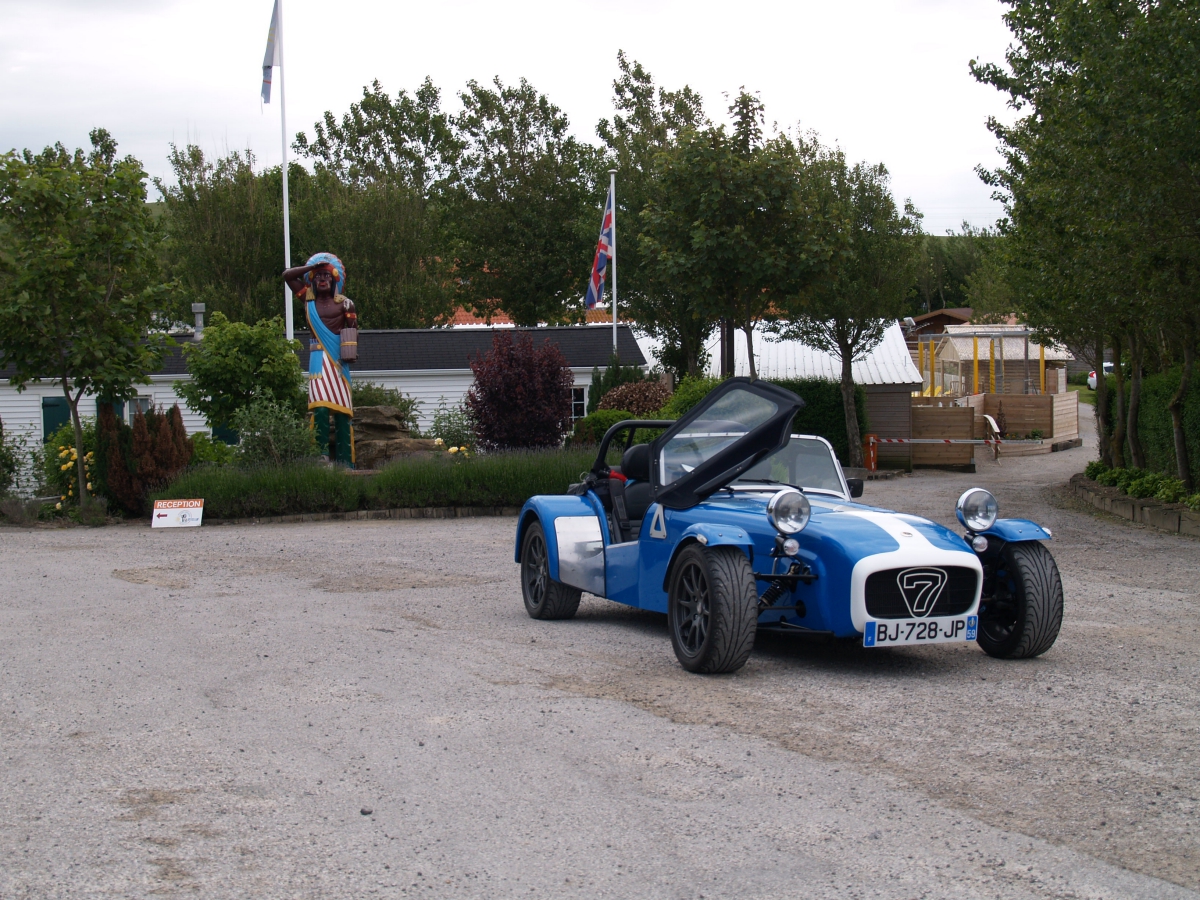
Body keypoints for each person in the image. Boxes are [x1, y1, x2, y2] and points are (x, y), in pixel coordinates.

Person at [283, 253, 358, 465]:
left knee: (343, 413)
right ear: (312, 280)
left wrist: (350, 352)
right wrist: (309, 268)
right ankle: (320, 456)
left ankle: (346, 461)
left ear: (334, 279)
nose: (322, 279)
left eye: (326, 275)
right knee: (320, 408)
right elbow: (287, 276)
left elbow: (353, 333)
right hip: (318, 359)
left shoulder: (345, 305)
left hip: (339, 361)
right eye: (318, 276)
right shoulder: (308, 299)